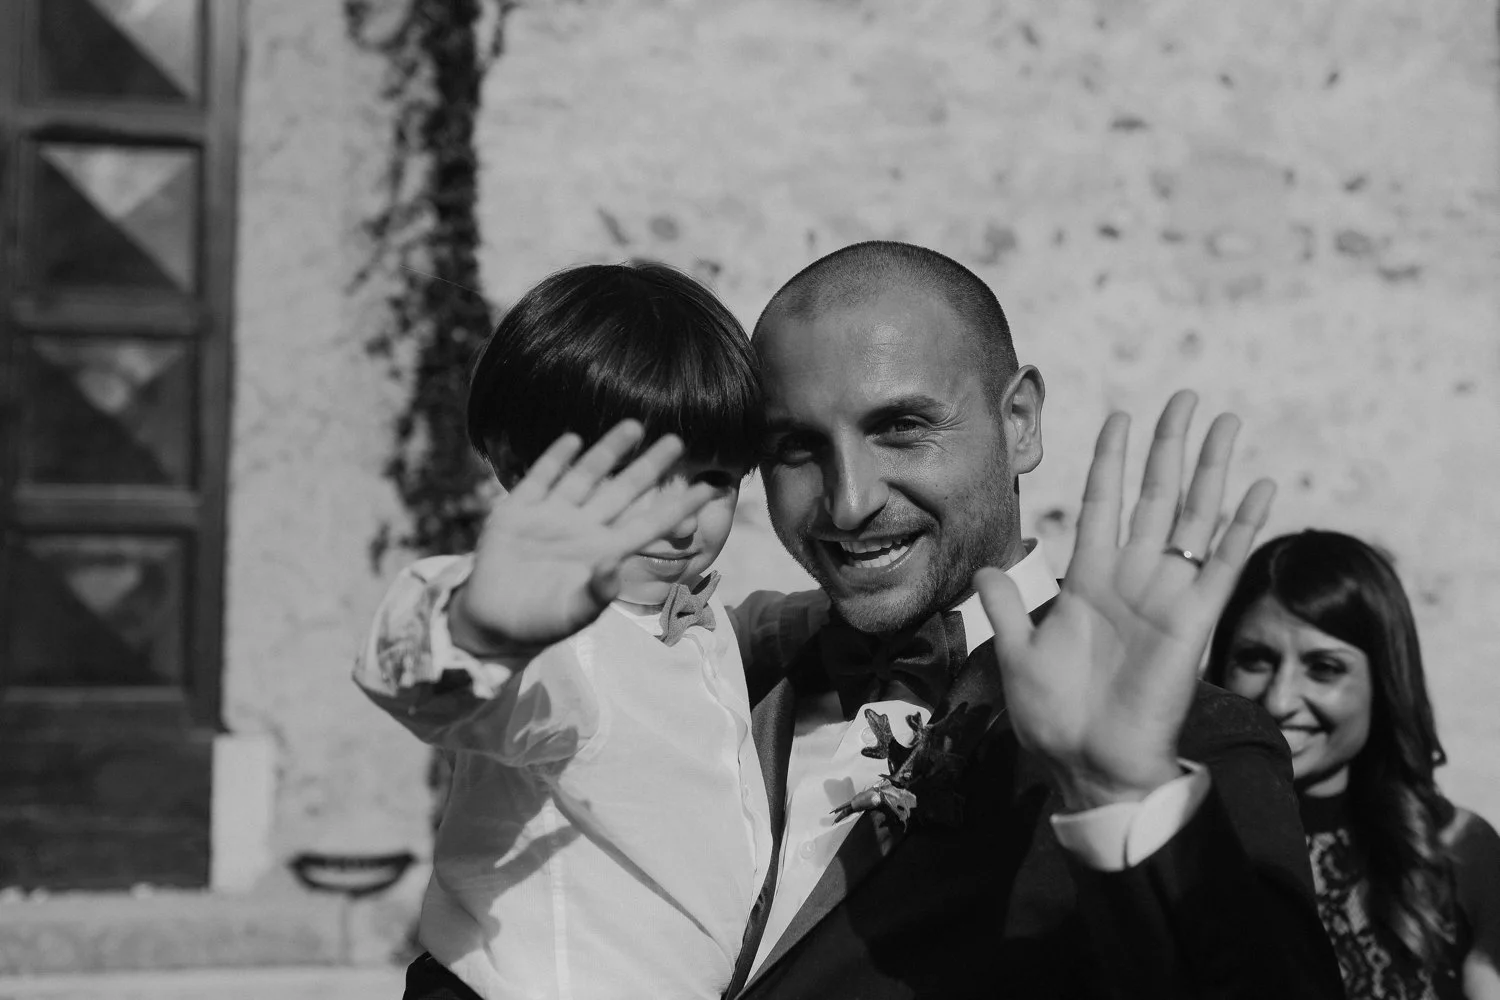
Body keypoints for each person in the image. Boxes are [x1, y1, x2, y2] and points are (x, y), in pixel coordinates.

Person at [366, 240, 1345, 998]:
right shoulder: (724, 657)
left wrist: (1115, 796)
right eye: (795, 449)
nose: (848, 502)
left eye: (900, 428)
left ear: (1019, 422)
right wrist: (476, 630)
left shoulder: (1189, 742)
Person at [355, 262, 777, 1000]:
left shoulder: (697, 628)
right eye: (633, 479)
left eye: (713, 479)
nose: (680, 521)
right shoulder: (562, 644)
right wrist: (479, 629)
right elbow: (445, 690)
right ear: (519, 469)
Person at [1205, 529, 1500, 1000]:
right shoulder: (1170, 843)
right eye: (1255, 660)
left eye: (1323, 668)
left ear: (1383, 682)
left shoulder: (1459, 849)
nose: (1279, 700)